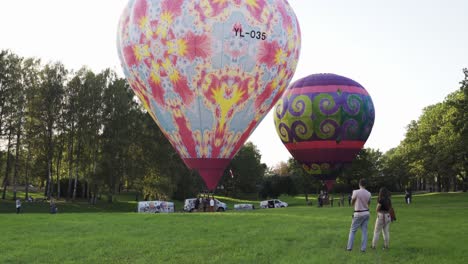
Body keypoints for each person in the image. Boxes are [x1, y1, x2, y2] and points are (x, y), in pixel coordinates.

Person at [346, 179, 371, 252]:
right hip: (366, 213)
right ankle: (363, 249)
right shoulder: (369, 193)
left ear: (359, 184)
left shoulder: (355, 192)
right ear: (365, 185)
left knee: (353, 231)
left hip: (358, 213)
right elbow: (369, 203)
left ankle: (349, 248)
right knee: (364, 231)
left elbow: (352, 202)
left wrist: (355, 204)